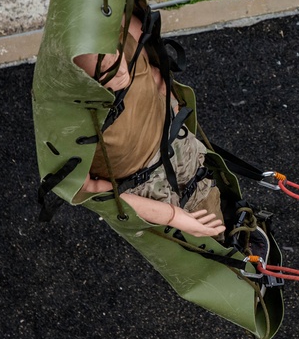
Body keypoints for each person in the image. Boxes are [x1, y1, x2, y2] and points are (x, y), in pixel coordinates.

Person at [72, 14, 226, 238]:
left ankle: (236, 245)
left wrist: (172, 110)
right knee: (187, 247)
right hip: (148, 196)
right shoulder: (72, 120)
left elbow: (155, 72)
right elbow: (90, 190)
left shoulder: (124, 36)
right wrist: (173, 216)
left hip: (181, 154)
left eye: (116, 58)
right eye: (106, 73)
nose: (121, 71)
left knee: (212, 210)